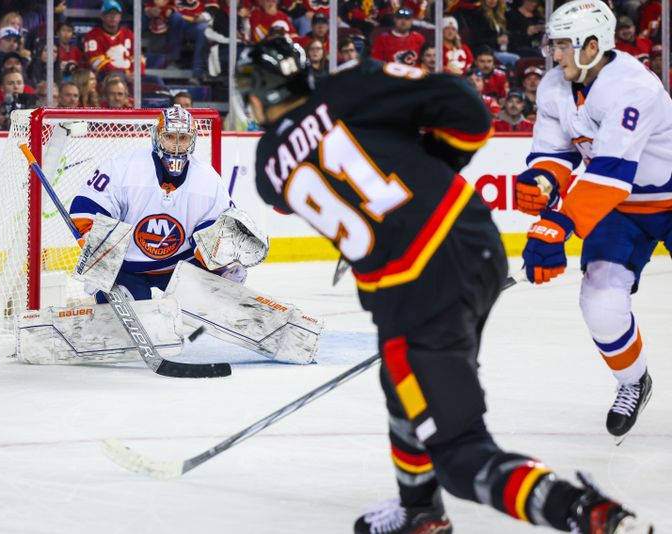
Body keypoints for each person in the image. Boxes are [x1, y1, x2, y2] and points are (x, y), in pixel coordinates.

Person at [236, 36, 652, 534]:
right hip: (475, 241)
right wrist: (428, 160)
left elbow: (322, 175)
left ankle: (586, 514)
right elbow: (469, 115)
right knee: (400, 384)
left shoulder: (266, 167)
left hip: (417, 291)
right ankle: (420, 511)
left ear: (260, 93)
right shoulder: (349, 86)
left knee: (459, 456)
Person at [515, 0, 670, 445]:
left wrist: (557, 225)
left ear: (591, 44)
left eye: (562, 44)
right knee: (601, 306)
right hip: (621, 211)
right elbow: (556, 153)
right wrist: (542, 181)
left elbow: (610, 172)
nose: (554, 53)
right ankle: (633, 381)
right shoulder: (554, 86)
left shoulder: (631, 87)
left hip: (661, 195)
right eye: (554, 43)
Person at [68, 105, 235, 302]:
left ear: (192, 140)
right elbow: (86, 210)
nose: (176, 145)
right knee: (130, 317)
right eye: (170, 136)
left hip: (181, 265)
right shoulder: (123, 168)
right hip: (126, 266)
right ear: (157, 136)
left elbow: (214, 233)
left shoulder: (209, 180)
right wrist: (100, 260)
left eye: (183, 138)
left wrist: (221, 263)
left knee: (206, 310)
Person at [84, 0, 135, 84]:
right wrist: (125, 72)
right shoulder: (92, 36)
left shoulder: (128, 34)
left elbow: (138, 57)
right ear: (102, 16)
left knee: (153, 80)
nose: (113, 17)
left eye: (116, 14)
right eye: (109, 14)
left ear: (120, 16)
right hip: (103, 75)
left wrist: (134, 73)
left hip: (128, 74)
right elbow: (96, 62)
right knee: (117, 76)